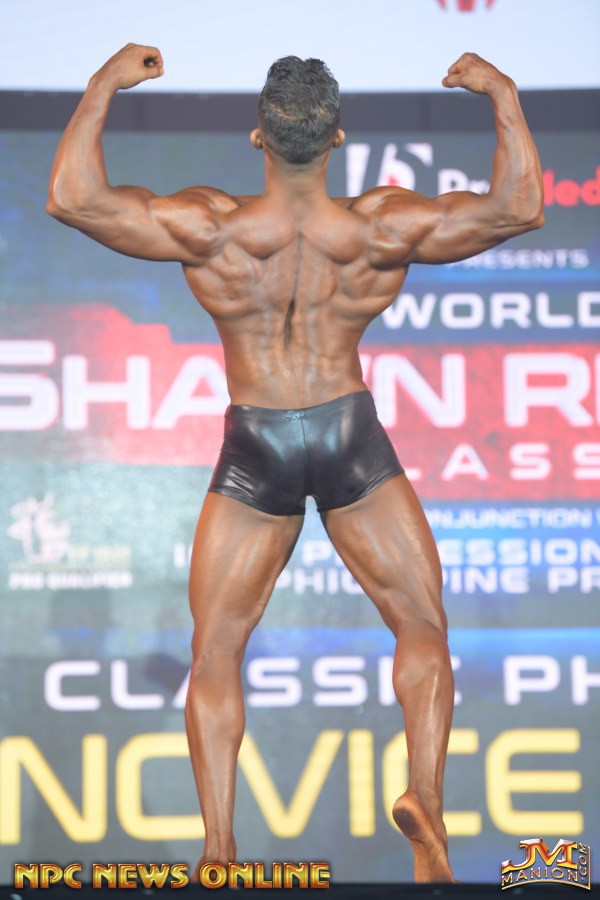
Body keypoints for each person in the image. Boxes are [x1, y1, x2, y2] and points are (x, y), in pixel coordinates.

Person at [47, 45, 544, 883]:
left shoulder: (210, 226)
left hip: (258, 442)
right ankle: (425, 796)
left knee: (216, 651)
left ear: (258, 138)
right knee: (421, 625)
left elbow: (72, 197)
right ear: (338, 138)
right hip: (349, 431)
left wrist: (103, 85)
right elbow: (520, 208)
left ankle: (219, 850)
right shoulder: (381, 226)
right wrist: (501, 92)